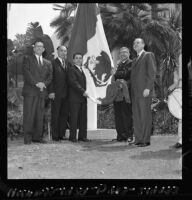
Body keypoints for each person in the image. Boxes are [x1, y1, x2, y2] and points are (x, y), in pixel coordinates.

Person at [22, 39, 52, 144]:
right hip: (30, 91)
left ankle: (37, 137)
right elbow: (27, 73)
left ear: (43, 49)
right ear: (34, 48)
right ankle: (28, 138)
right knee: (29, 115)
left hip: (42, 92)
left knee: (39, 116)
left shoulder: (48, 63)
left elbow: (50, 76)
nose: (39, 48)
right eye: (37, 46)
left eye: (41, 46)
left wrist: (44, 84)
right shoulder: (27, 59)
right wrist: (37, 83)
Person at [130, 38, 156, 147]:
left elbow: (152, 72)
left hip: (144, 91)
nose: (135, 44)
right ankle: (138, 139)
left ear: (143, 44)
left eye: (138, 42)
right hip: (135, 93)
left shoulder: (148, 55)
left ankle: (145, 140)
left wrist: (148, 88)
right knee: (136, 116)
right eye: (134, 43)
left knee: (145, 116)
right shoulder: (135, 59)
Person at [67, 53, 91, 142]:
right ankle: (72, 137)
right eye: (76, 58)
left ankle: (82, 137)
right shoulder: (71, 69)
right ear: (73, 60)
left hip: (83, 98)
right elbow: (73, 83)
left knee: (83, 118)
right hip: (74, 98)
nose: (78, 60)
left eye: (80, 58)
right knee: (74, 118)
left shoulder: (83, 70)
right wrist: (83, 91)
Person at [112, 47, 133, 142]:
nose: (122, 54)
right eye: (121, 52)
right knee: (118, 115)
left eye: (125, 52)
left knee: (126, 115)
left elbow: (127, 74)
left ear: (129, 53)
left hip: (126, 93)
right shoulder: (118, 64)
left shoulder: (132, 63)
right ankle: (120, 135)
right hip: (117, 94)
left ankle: (129, 135)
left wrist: (116, 73)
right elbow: (115, 77)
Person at [48, 46, 69, 141]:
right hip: (56, 94)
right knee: (55, 115)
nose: (63, 52)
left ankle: (61, 134)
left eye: (65, 51)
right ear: (57, 52)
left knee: (64, 115)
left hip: (66, 94)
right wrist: (51, 91)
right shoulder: (52, 63)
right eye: (61, 51)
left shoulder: (68, 64)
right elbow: (50, 79)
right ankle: (55, 136)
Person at [169, 53, 182, 149]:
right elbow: (176, 80)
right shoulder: (177, 66)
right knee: (181, 117)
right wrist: (173, 85)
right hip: (180, 90)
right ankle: (181, 141)